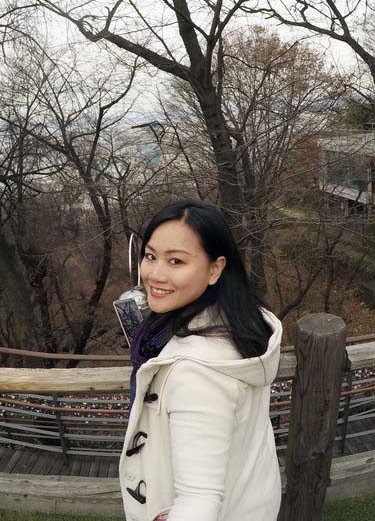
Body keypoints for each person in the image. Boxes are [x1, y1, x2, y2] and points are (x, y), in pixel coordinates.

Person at [119, 200, 282, 521]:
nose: (155, 274)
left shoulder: (195, 374)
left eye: (176, 261)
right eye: (150, 256)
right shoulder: (241, 325)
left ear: (215, 269)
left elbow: (199, 500)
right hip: (249, 500)